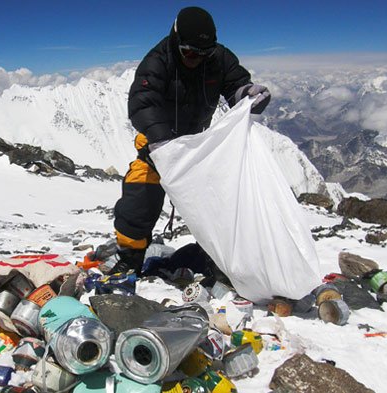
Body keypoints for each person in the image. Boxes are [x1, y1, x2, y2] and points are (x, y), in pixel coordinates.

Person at [109, 6, 271, 275]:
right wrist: (161, 143)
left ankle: (218, 258)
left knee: (220, 200)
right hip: (157, 146)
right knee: (140, 196)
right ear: (176, 40)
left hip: (198, 146)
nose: (196, 58)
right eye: (190, 52)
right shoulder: (157, 62)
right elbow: (142, 104)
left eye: (203, 53)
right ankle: (131, 257)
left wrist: (248, 94)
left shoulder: (219, 58)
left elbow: (235, 85)